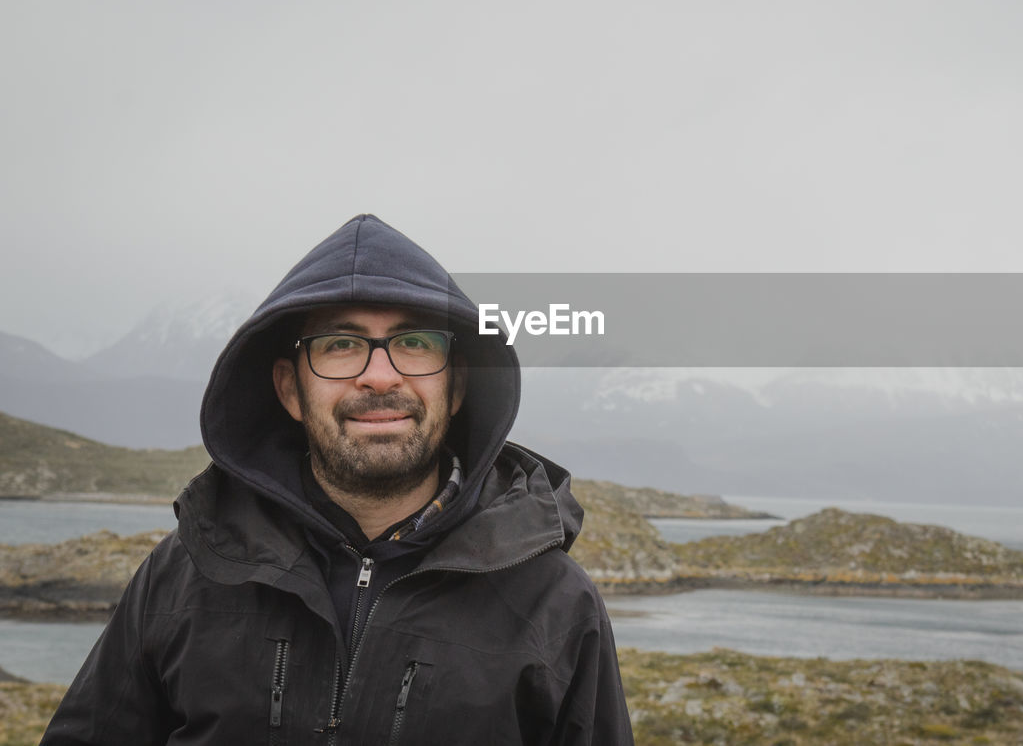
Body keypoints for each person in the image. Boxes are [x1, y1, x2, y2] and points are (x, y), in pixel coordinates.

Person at [42, 214, 633, 745]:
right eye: (342, 344)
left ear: (456, 387)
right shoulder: (182, 575)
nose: (379, 376)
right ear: (288, 388)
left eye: (415, 342)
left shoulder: (555, 604)